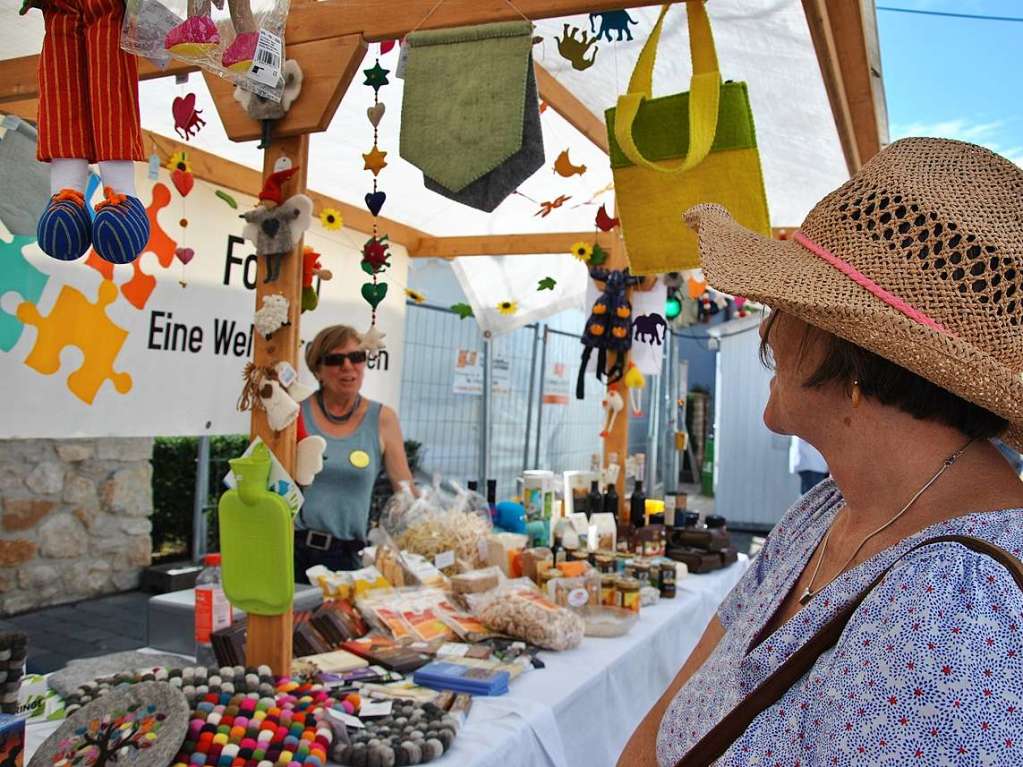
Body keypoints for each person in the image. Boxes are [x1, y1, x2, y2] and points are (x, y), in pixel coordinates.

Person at [620, 138, 1023, 766]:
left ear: (856, 354)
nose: (766, 325)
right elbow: (672, 723)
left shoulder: (967, 620)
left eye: (790, 302)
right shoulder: (826, 511)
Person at [294, 324, 414, 580]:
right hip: (293, 551)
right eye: (335, 360)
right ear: (318, 370)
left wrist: (428, 534)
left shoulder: (383, 418)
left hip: (349, 557)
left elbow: (405, 492)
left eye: (357, 357)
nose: (348, 366)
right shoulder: (295, 413)